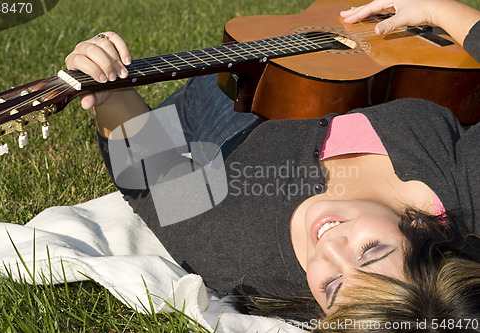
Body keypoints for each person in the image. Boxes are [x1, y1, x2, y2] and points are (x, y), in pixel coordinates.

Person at [65, 0, 480, 328]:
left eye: (332, 287)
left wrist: (109, 91)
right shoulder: (463, 185)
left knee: (208, 92)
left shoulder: (241, 249)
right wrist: (439, 9)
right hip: (316, 73)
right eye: (370, 253)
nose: (330, 246)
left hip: (215, 120)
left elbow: (155, 177)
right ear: (428, 232)